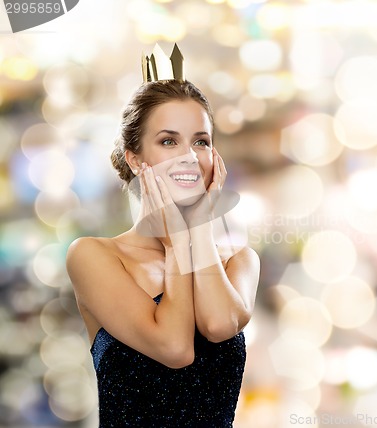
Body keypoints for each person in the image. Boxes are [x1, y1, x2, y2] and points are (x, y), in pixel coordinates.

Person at [66, 46, 260, 427]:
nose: (189, 157)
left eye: (201, 142)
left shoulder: (239, 260)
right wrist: (174, 245)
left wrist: (198, 228)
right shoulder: (93, 256)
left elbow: (219, 325)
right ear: (136, 159)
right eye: (169, 141)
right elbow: (174, 348)